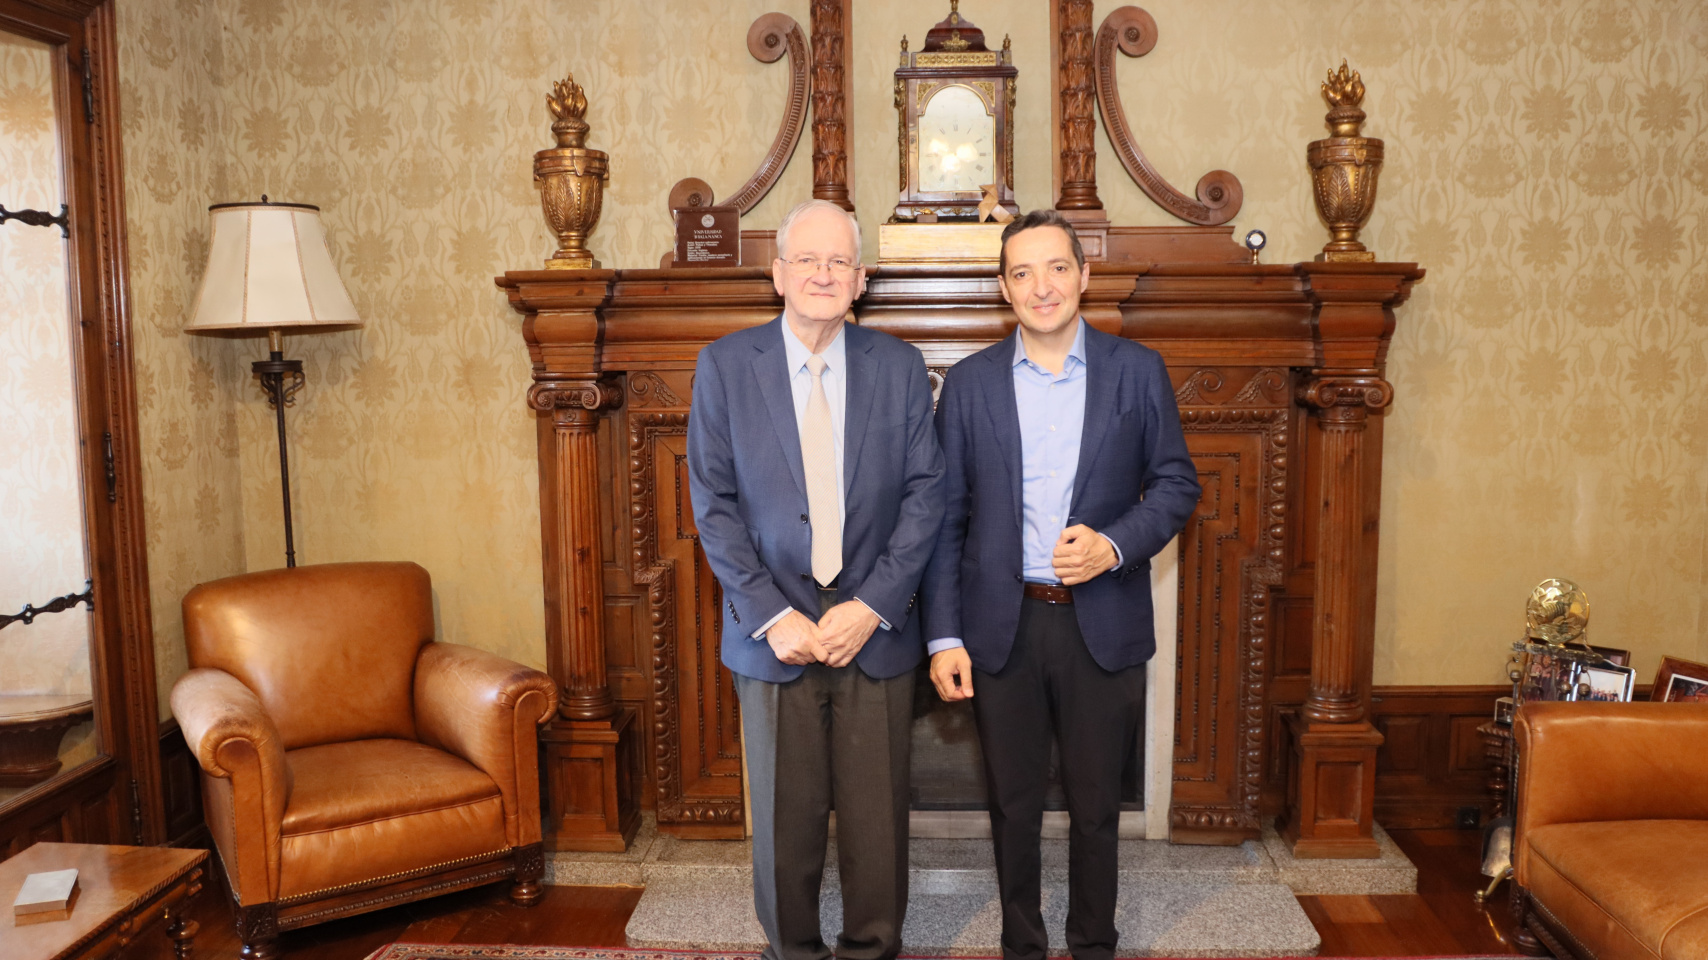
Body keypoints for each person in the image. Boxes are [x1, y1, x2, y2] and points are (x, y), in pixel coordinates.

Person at [920, 209, 1201, 960]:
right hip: (1000, 626)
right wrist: (944, 635)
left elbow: (1176, 484)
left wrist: (1114, 544)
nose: (1040, 286)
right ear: (1004, 289)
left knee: (1097, 807)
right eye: (1021, 272)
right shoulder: (971, 384)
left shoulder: (1136, 372)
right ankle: (1022, 944)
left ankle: (1094, 945)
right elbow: (947, 521)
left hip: (1099, 623)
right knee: (1011, 806)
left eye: (1054, 268)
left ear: (1083, 275)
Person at [687, 199, 945, 960]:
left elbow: (926, 497)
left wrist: (872, 604)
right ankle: (790, 952)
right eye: (808, 260)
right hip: (775, 638)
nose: (823, 274)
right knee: (782, 823)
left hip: (874, 630)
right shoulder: (727, 366)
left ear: (861, 279)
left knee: (877, 821)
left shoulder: (898, 366)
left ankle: (872, 949)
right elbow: (714, 504)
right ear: (779, 274)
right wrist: (773, 614)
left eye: (839, 262)